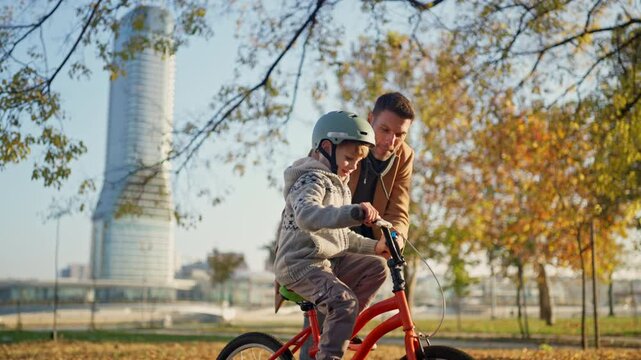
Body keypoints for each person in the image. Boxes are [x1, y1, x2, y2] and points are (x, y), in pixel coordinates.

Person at [298, 92, 416, 356]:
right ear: (370, 119)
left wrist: (394, 237)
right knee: (318, 326)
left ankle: (345, 328)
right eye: (384, 129)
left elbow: (399, 208)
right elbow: (310, 200)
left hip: (362, 244)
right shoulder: (338, 142)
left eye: (401, 134)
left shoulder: (404, 157)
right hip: (323, 243)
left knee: (377, 271)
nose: (391, 140)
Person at [273, 110, 390, 360]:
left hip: (327, 262)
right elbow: (308, 215)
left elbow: (341, 238)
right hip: (300, 265)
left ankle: (342, 328)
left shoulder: (339, 186)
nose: (352, 167)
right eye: (349, 158)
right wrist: (354, 212)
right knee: (344, 302)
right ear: (326, 147)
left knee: (377, 267)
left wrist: (374, 246)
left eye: (358, 162)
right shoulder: (310, 180)